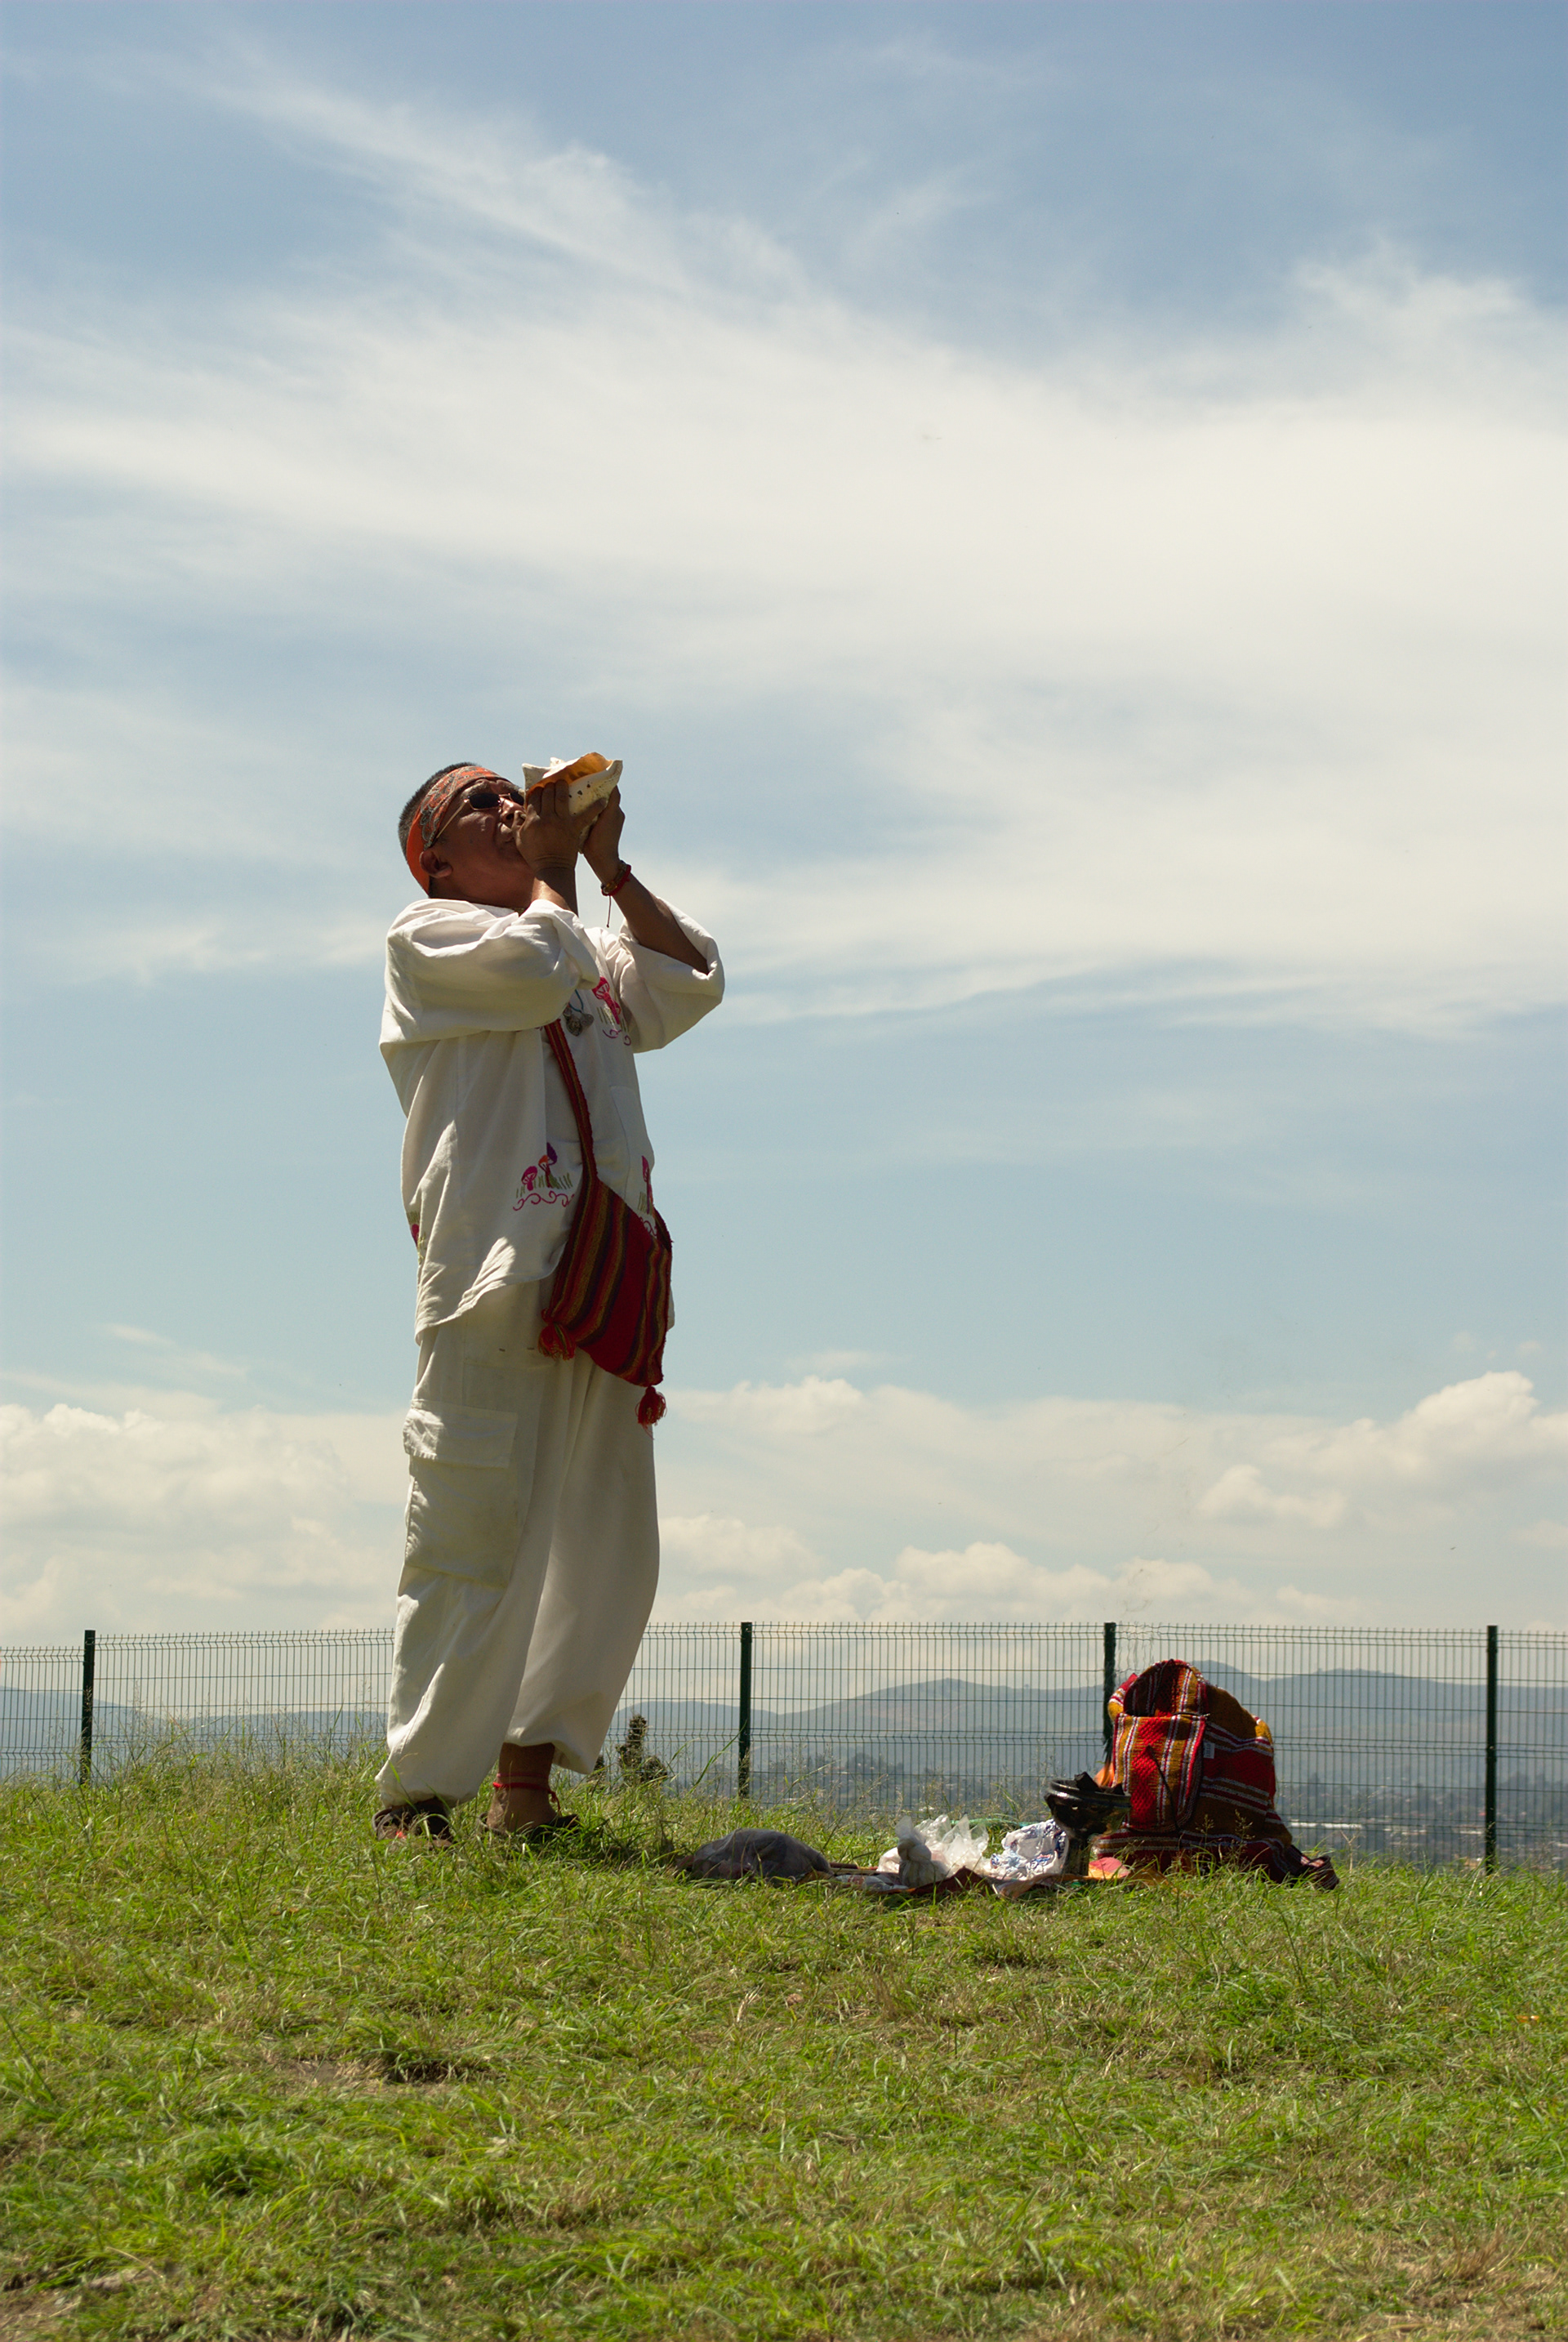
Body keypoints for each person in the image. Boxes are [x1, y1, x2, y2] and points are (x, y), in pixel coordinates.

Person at [374, 761, 724, 1842]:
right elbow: (532, 969)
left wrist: (608, 866)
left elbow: (688, 980)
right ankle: (418, 1795)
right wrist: (557, 875)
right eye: (476, 805)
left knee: (602, 1549)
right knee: (474, 1533)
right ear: (435, 859)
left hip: (604, 1280)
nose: (507, 808)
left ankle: (524, 1788)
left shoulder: (576, 939)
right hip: (497, 1275)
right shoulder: (427, 938)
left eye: (507, 792)